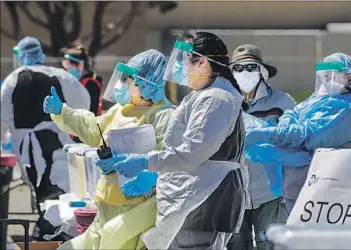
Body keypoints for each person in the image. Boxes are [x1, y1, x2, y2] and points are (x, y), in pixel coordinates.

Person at [96, 31, 246, 250]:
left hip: (201, 200)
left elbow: (191, 153)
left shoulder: (216, 99)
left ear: (202, 62)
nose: (178, 68)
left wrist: (144, 161)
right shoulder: (205, 95)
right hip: (193, 200)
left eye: (183, 61)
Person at [44, 49, 174, 250]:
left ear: (148, 82)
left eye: (132, 79)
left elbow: (171, 159)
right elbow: (94, 129)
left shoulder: (164, 116)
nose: (128, 83)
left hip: (138, 208)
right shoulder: (122, 110)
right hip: (107, 203)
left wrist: (149, 176)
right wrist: (63, 112)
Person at [245, 52, 351, 213]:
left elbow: (308, 136)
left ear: (350, 78)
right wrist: (284, 130)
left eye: (332, 76)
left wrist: (268, 134)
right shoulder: (320, 99)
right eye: (323, 77)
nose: (326, 82)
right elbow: (291, 114)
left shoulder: (349, 107)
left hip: (328, 194)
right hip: (302, 188)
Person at [0, 37, 90, 241]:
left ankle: (46, 233)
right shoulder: (59, 75)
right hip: (58, 141)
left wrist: (5, 138)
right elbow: (83, 101)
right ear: (40, 53)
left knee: (41, 191)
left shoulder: (13, 79)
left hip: (28, 148)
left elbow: (2, 115)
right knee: (57, 190)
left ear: (21, 55)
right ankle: (51, 232)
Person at [227, 44, 296, 250]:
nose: (245, 73)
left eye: (251, 67)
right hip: (233, 194)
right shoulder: (223, 102)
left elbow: (296, 138)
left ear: (262, 71)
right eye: (238, 68)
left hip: (270, 193)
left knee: (272, 244)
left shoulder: (282, 101)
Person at [61, 45, 103, 117]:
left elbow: (92, 111)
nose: (66, 71)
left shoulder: (91, 83)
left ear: (80, 65)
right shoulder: (79, 81)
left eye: (69, 67)